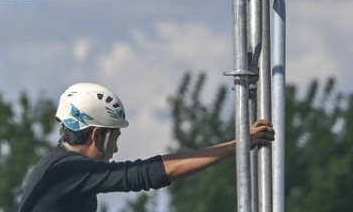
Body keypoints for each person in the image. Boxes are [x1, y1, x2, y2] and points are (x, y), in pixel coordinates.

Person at [18, 82, 276, 211]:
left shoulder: (60, 166)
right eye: (115, 138)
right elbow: (147, 174)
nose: (115, 150)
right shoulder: (67, 169)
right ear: (98, 136)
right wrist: (237, 146)